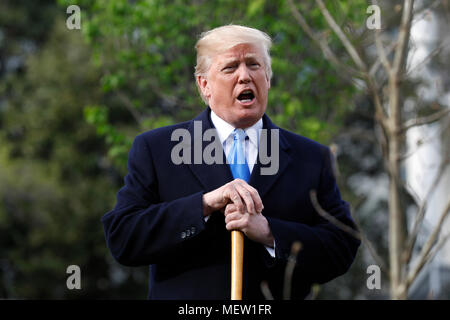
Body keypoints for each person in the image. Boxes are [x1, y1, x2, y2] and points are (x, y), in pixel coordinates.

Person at [102, 25, 360, 300]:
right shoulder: (157, 149)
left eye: (254, 64)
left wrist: (271, 233)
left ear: (268, 77)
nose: (245, 76)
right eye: (230, 68)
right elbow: (124, 238)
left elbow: (341, 246)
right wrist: (204, 204)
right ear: (204, 85)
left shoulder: (311, 158)